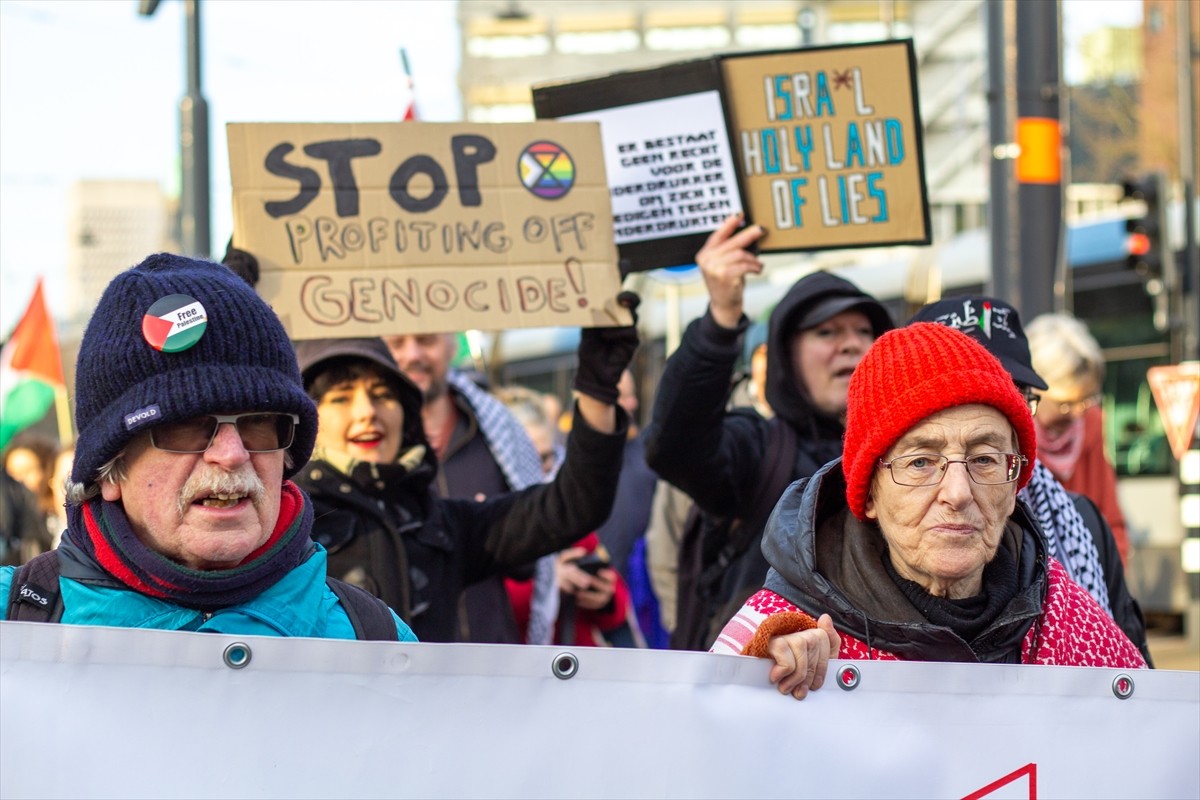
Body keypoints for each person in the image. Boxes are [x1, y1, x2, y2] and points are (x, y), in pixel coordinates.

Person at [711, 323, 1147, 700]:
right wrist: (760, 680)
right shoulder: (785, 629)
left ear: (1014, 487)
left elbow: (1142, 743)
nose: (957, 493)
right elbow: (705, 748)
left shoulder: (1067, 615)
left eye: (984, 460)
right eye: (920, 462)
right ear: (868, 496)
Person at [0, 253, 414, 639]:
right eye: (186, 428)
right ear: (110, 470)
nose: (232, 454)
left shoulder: (377, 640)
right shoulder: (14, 621)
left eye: (258, 425)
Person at [292, 313, 637, 643]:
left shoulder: (442, 523)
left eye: (383, 394)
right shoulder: (286, 525)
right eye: (340, 397)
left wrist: (596, 393)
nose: (367, 411)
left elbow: (574, 504)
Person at [644, 212, 894, 650]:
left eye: (863, 331)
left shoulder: (903, 458)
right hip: (762, 688)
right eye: (827, 331)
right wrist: (720, 319)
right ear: (785, 356)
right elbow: (673, 445)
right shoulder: (758, 448)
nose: (852, 344)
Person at [911, 296, 1151, 664]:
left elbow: (1132, 672)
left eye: (1017, 396)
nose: (1000, 416)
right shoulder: (844, 544)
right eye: (968, 397)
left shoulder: (1081, 520)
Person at [383, 331, 556, 644]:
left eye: (426, 340)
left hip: (492, 656)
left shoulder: (496, 435)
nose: (412, 355)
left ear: (452, 343)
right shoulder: (370, 448)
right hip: (406, 662)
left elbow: (529, 560)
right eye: (397, 343)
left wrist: (492, 529)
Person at [494, 385, 636, 647]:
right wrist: (550, 583)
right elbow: (481, 609)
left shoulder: (564, 510)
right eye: (529, 459)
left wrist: (604, 596)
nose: (542, 470)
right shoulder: (487, 516)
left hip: (577, 669)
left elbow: (617, 612)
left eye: (547, 457)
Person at [1025, 312, 1130, 563]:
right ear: (1032, 391)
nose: (1077, 413)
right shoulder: (1011, 437)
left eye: (1086, 400)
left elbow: (1112, 522)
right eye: (1065, 403)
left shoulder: (1092, 423)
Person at [3, 431, 60, 557]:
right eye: (12, 475)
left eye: (27, 471)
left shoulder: (61, 510)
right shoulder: (16, 524)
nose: (19, 481)